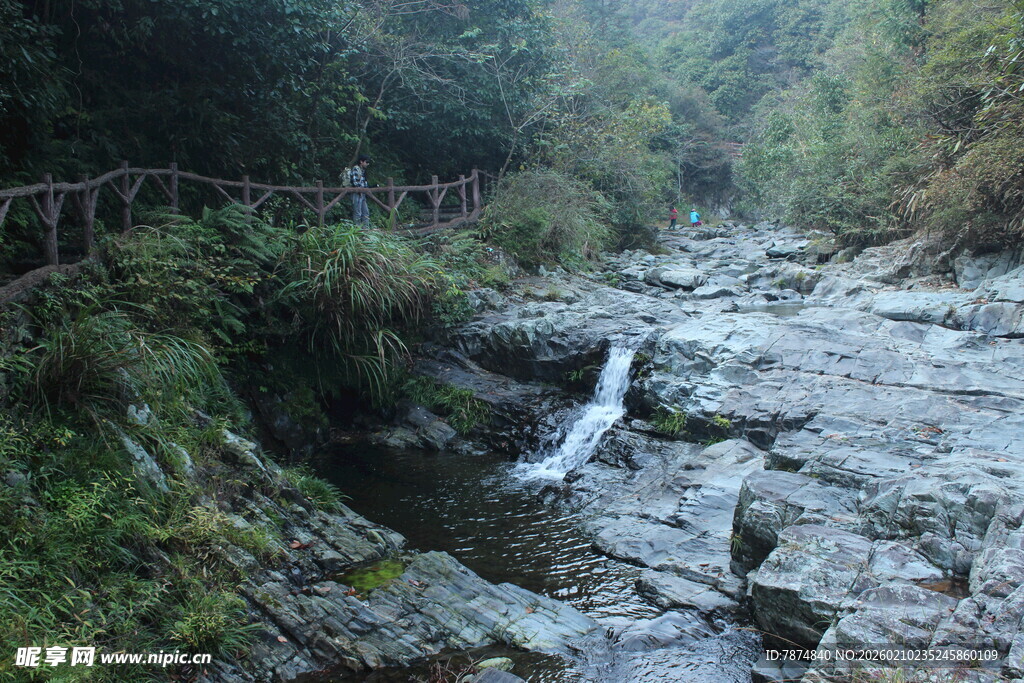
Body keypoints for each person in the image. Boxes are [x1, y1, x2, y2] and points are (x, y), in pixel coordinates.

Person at [349, 155, 371, 226]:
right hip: (357, 193)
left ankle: (366, 229)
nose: (368, 164)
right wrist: (360, 190)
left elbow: (364, 183)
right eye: (366, 162)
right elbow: (355, 182)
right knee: (357, 212)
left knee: (365, 212)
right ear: (361, 161)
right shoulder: (356, 169)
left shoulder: (363, 171)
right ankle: (357, 230)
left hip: (363, 194)